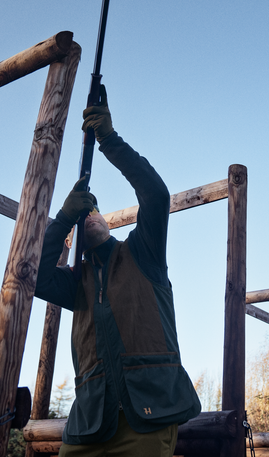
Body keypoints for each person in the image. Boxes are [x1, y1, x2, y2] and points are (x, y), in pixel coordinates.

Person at [35, 85, 201, 456]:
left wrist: (108, 139)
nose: (89, 214)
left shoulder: (143, 253)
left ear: (110, 225)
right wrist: (62, 219)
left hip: (148, 417)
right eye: (83, 214)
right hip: (89, 426)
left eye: (95, 211)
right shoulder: (76, 281)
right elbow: (33, 277)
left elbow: (156, 195)